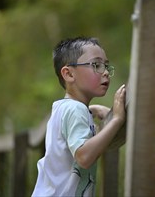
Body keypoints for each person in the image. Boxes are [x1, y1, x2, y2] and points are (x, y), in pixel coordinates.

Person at [32, 37, 126, 197]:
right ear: (68, 74)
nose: (105, 72)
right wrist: (116, 119)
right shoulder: (75, 110)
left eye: (106, 66)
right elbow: (84, 156)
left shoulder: (65, 108)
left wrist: (91, 110)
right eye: (96, 65)